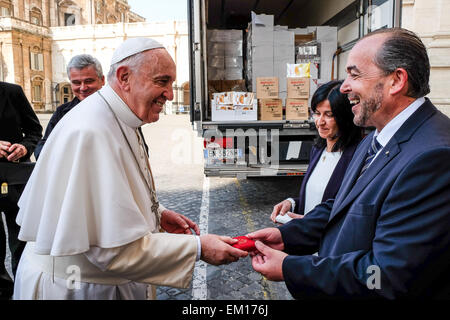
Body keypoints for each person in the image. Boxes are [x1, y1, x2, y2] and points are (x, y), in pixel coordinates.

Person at [13, 38, 248, 300]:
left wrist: (157, 213)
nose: (170, 94)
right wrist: (197, 248)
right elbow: (113, 249)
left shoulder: (119, 115)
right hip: (77, 287)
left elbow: (113, 197)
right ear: (124, 77)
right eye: (162, 82)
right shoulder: (91, 131)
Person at [249, 28, 450, 299]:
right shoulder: (374, 138)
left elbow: (385, 275)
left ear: (396, 80)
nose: (343, 87)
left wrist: (291, 267)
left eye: (354, 75)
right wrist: (288, 236)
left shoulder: (433, 157)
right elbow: (344, 206)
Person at [270, 80, 362, 223]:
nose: (320, 122)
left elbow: (349, 212)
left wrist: (311, 222)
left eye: (329, 115)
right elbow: (316, 198)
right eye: (317, 113)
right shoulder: (318, 150)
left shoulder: (357, 157)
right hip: (306, 238)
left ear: (345, 117)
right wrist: (291, 203)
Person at [0, 81, 42, 299]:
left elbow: (35, 130)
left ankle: (23, 290)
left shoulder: (12, 92)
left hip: (16, 181)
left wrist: (25, 147)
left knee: (22, 243)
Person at [34, 54, 105, 159]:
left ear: (102, 80)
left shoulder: (117, 109)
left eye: (89, 81)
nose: (83, 88)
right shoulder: (62, 112)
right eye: (76, 82)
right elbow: (43, 145)